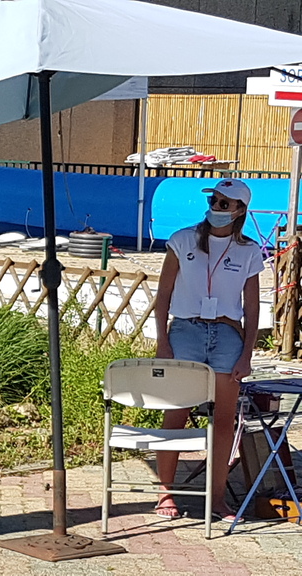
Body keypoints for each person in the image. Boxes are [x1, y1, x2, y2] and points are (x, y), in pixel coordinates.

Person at [153, 178, 262, 523]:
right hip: (186, 330)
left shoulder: (248, 251)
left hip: (228, 334)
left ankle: (216, 498)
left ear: (240, 211)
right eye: (214, 200)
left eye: (224, 203)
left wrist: (247, 353)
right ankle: (165, 492)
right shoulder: (182, 239)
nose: (216, 207)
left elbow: (253, 306)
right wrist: (162, 340)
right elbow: (163, 294)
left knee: (224, 421)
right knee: (176, 412)